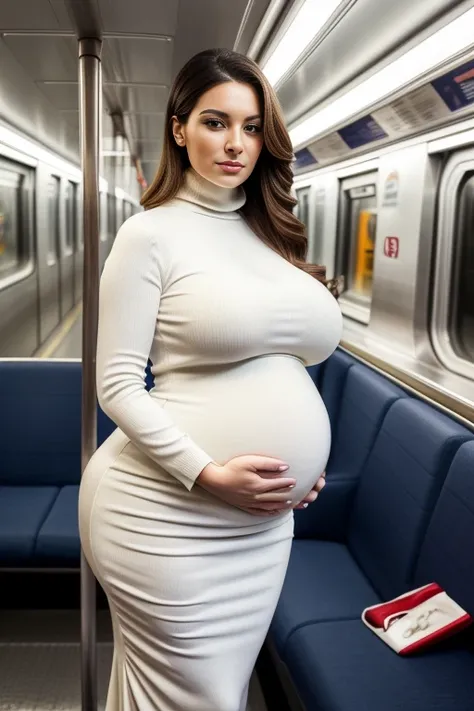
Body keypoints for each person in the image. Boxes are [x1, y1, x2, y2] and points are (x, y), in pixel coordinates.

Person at [78, 47, 342, 711]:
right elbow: (117, 386)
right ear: (178, 128)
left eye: (252, 128)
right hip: (162, 512)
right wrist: (210, 472)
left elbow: (285, 364)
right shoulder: (150, 235)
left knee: (208, 692)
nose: (235, 144)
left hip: (258, 528)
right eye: (215, 122)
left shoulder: (273, 238)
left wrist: (298, 469)